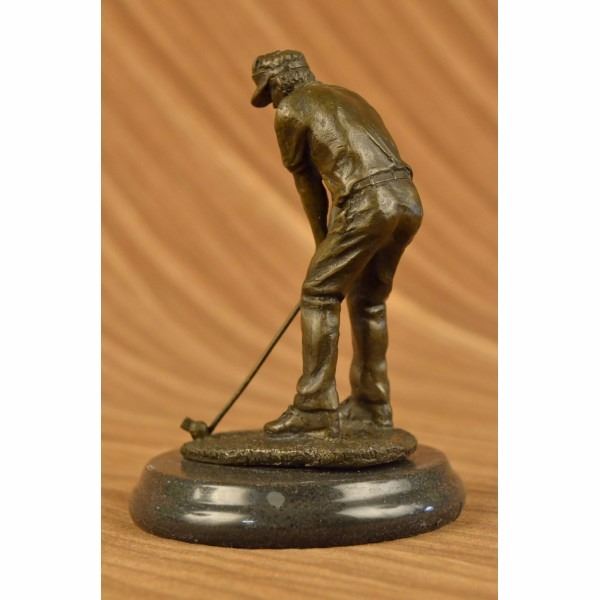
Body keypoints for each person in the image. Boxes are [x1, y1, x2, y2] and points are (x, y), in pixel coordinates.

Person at [251, 50, 423, 437]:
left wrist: (321, 244)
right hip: (407, 201)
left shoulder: (291, 109)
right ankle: (372, 404)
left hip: (367, 204)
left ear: (279, 82)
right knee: (368, 300)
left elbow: (309, 185)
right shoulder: (348, 96)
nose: (271, 102)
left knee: (318, 293)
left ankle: (314, 407)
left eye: (268, 91)